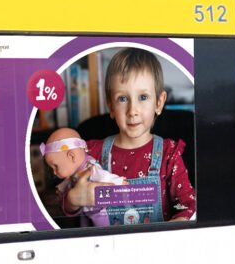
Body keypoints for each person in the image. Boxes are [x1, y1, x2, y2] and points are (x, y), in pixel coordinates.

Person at [63, 48, 197, 224]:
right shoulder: (91, 152)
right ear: (111, 106)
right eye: (122, 99)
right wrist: (73, 200)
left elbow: (188, 204)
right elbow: (66, 202)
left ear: (159, 103)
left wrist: (176, 225)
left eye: (143, 97)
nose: (132, 111)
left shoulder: (169, 154)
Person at [42, 127, 122, 227]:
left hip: (102, 214)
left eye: (55, 166)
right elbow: (70, 181)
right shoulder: (75, 170)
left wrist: (119, 182)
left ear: (72, 156)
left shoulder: (89, 167)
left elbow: (103, 176)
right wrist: (67, 194)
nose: (54, 172)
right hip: (86, 215)